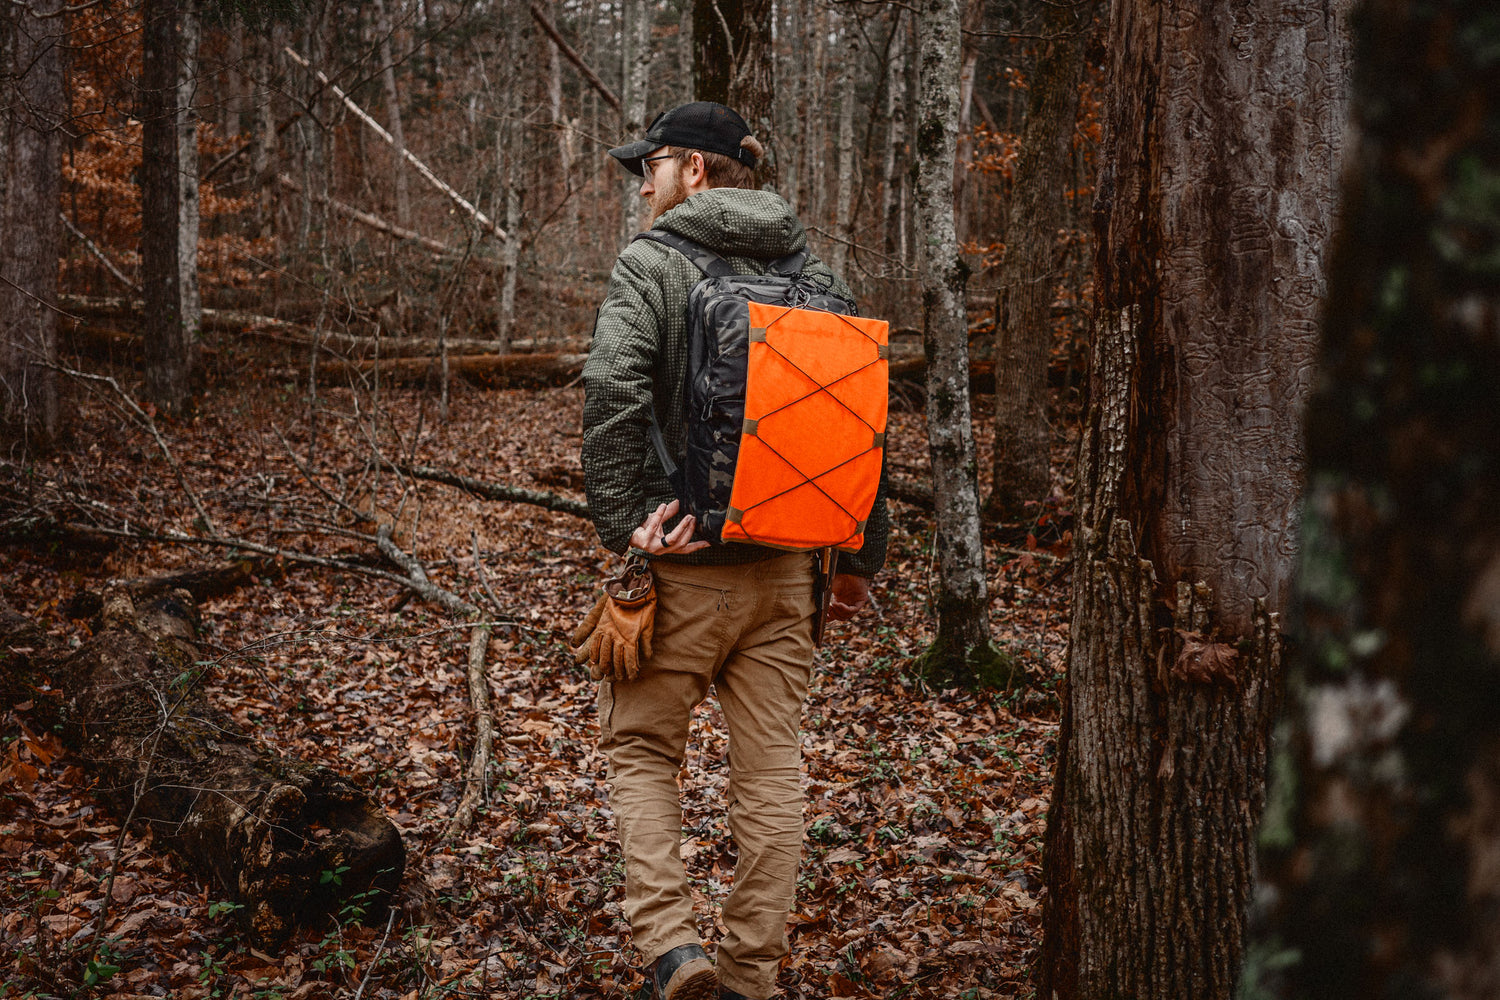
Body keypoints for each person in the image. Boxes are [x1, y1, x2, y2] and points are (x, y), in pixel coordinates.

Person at [579, 101, 889, 1000]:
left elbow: (611, 387)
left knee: (640, 753)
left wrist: (627, 518)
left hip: (678, 568)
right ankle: (751, 979)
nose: (643, 183)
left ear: (697, 171)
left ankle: (676, 954)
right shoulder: (816, 271)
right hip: (791, 569)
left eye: (652, 166)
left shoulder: (652, 264)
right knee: (772, 779)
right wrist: (859, 557)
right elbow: (865, 416)